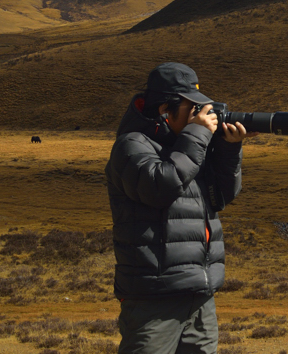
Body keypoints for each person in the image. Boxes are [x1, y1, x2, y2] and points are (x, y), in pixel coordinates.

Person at [106, 62, 250, 354]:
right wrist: (197, 136)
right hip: (153, 299)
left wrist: (228, 148)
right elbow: (160, 185)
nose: (201, 116)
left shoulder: (188, 148)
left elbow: (222, 196)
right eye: (193, 108)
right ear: (164, 110)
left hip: (199, 294)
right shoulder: (131, 146)